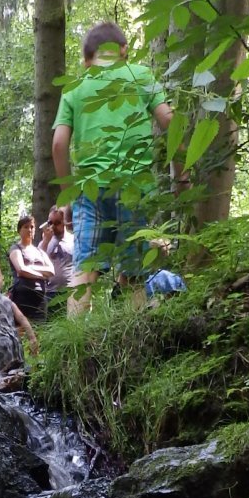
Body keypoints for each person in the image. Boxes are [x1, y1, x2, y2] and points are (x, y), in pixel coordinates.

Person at [51, 20, 177, 314]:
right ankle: (134, 348)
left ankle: (75, 352)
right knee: (133, 274)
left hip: (89, 190)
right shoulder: (141, 76)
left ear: (86, 59)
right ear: (123, 50)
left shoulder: (76, 88)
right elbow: (170, 122)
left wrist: (68, 197)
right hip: (135, 185)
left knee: (84, 273)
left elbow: (58, 145)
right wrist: (181, 175)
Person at [8, 214, 55, 322]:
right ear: (19, 230)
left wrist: (30, 267)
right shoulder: (16, 248)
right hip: (22, 296)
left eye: (32, 227)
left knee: (40, 330)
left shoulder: (40, 251)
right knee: (21, 329)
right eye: (26, 227)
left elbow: (51, 271)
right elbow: (21, 270)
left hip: (40, 298)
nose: (29, 229)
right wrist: (42, 276)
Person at [40, 205, 75, 299]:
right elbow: (37, 262)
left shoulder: (74, 240)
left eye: (57, 223)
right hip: (49, 292)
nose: (53, 226)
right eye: (50, 223)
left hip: (70, 291)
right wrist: (46, 242)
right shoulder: (45, 242)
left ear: (64, 222)